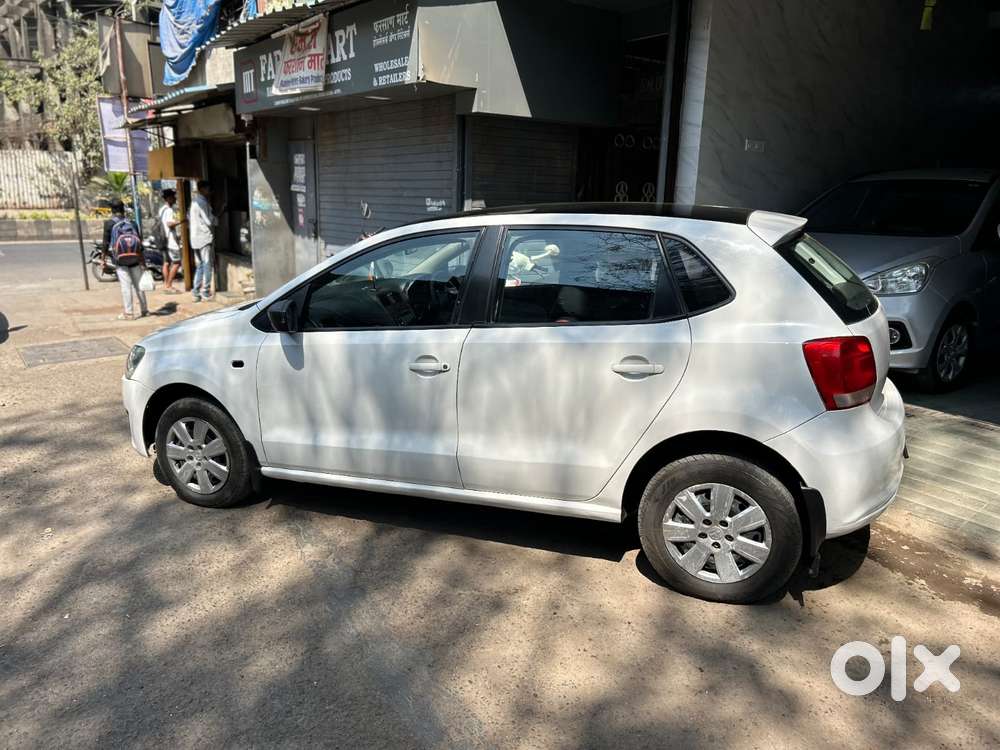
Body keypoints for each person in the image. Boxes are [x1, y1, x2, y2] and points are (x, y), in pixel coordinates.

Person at [100, 200, 148, 320]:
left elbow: (105, 243)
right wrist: (143, 261)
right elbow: (139, 243)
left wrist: (103, 259)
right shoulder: (132, 223)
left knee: (125, 286)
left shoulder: (109, 224)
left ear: (112, 210)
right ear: (123, 210)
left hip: (120, 260)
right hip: (135, 258)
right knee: (139, 285)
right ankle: (144, 310)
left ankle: (129, 313)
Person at [189, 180, 219, 302]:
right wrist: (217, 219)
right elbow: (209, 221)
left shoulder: (194, 202)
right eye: (208, 189)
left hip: (195, 238)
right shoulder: (202, 202)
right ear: (202, 189)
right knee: (207, 264)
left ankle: (196, 292)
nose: (210, 192)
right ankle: (205, 291)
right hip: (203, 238)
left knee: (200, 265)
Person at [158, 188, 184, 294]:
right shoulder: (168, 210)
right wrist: (181, 221)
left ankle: (166, 284)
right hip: (171, 241)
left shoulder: (162, 209)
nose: (175, 198)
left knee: (166, 263)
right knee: (177, 263)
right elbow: (169, 224)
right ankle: (169, 285)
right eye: (173, 197)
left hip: (163, 239)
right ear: (168, 198)